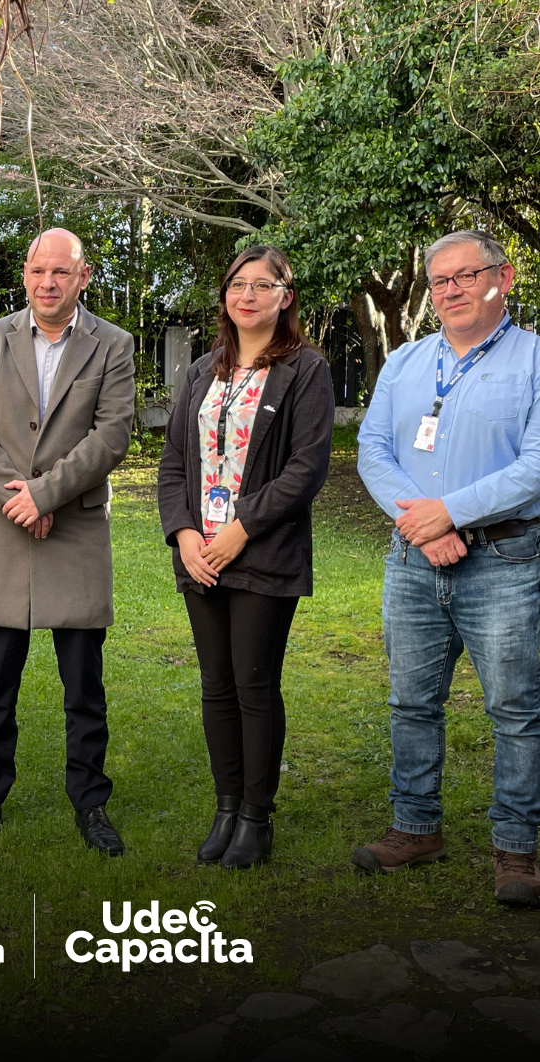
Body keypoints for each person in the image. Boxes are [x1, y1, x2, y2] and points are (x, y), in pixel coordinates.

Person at [355, 229, 540, 906]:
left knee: (516, 711)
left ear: (504, 277)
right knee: (411, 703)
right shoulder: (405, 362)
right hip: (414, 560)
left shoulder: (535, 359)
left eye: (467, 275)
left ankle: (516, 850)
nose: (453, 290)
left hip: (506, 560)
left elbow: (536, 466)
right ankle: (415, 829)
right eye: (441, 280)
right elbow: (373, 449)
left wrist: (449, 513)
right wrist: (424, 526)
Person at [0, 228, 135, 854]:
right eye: (37, 271)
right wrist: (17, 497)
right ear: (25, 275)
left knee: (84, 687)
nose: (47, 283)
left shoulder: (113, 344)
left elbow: (112, 435)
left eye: (60, 272)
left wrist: (45, 495)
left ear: (83, 277)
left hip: (75, 528)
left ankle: (91, 803)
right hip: (6, 526)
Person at [158, 245, 334, 870]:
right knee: (217, 685)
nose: (248, 295)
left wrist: (242, 528)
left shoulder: (306, 369)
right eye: (238, 284)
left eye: (263, 285)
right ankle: (226, 807)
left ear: (286, 297)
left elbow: (306, 468)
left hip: (262, 552)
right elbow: (173, 462)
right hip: (200, 554)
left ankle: (257, 817)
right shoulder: (202, 371)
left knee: (254, 684)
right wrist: (184, 534)